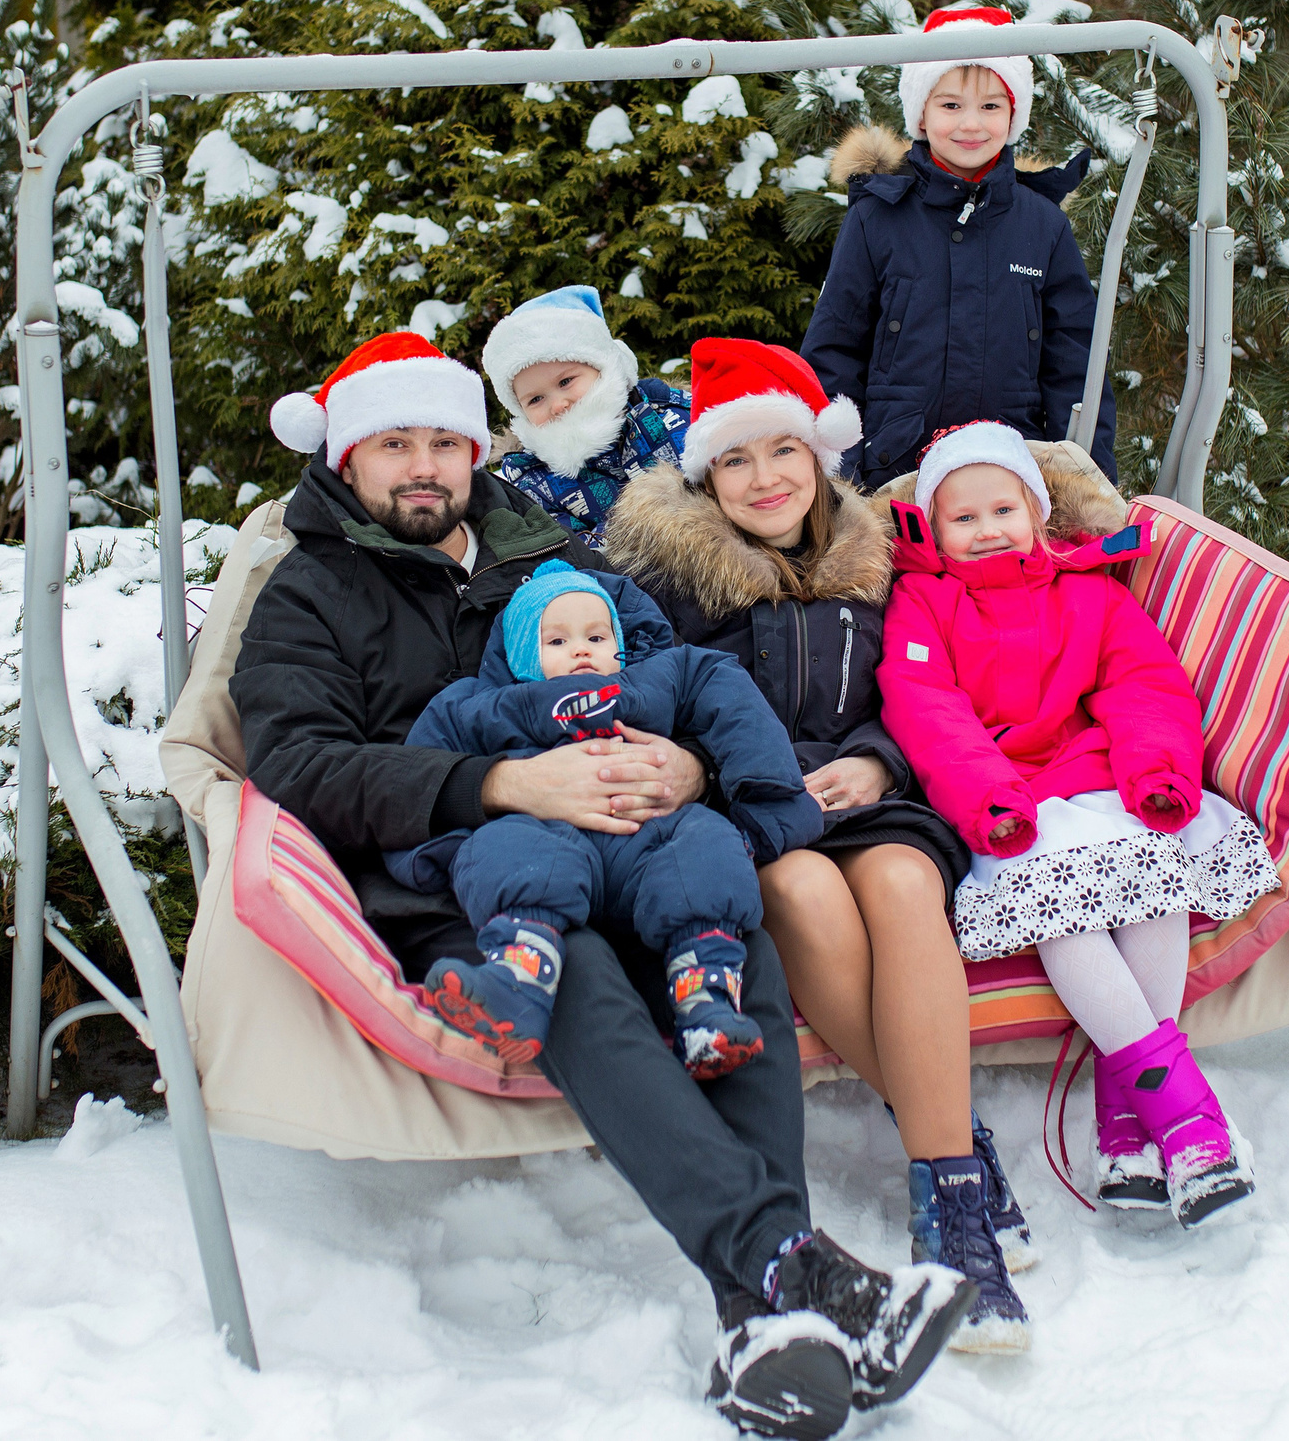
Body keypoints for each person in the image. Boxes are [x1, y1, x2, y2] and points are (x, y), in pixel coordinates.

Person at [234, 330, 972, 1438]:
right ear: (346, 460)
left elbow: (680, 676)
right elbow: (295, 762)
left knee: (735, 941)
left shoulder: (543, 558)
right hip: (463, 875)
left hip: (632, 835)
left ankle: (763, 1324)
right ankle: (790, 1272)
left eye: (443, 439)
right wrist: (501, 785)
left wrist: (692, 765)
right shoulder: (310, 594)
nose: (424, 464)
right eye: (395, 444)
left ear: (476, 449)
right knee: (576, 977)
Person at [602, 338, 1033, 1355]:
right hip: (754, 806)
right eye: (736, 460)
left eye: (782, 452)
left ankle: (951, 1200)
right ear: (706, 475)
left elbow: (927, 682)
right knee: (806, 895)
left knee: (895, 885)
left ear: (818, 455)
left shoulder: (883, 557)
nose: (764, 478)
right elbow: (657, 710)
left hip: (873, 790)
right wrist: (729, 771)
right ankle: (954, 1137)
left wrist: (880, 764)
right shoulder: (666, 577)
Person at [876, 421, 1282, 1228]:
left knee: (1153, 879)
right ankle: (1190, 1121)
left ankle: (1127, 1125)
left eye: (1003, 509)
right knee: (1069, 914)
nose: (988, 530)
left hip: (1101, 779)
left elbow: (1143, 683)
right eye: (964, 518)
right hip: (1006, 801)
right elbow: (928, 712)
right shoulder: (922, 602)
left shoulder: (1090, 589)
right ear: (933, 527)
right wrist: (989, 797)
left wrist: (1158, 771)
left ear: (1037, 511)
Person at [387, 559, 826, 1078]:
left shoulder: (660, 676)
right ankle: (516, 986)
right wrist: (439, 855)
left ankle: (705, 1004)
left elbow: (733, 702)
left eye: (596, 636)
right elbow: (422, 775)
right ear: (524, 654)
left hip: (646, 837)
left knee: (704, 843)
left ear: (618, 641)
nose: (580, 650)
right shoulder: (482, 705)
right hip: (544, 840)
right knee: (505, 844)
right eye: (556, 641)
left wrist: (768, 804)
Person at [798, 6, 1104, 489]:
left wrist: (1087, 479)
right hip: (895, 471)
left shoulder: (1042, 224)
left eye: (990, 106)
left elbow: (1076, 363)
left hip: (1011, 474)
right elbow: (834, 352)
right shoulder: (877, 217)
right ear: (922, 112)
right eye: (951, 105)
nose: (971, 124)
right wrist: (842, 476)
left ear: (1013, 113)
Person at [483, 283, 691, 534]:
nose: (558, 405)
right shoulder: (534, 482)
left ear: (603, 368)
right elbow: (573, 550)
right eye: (535, 399)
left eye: (565, 382)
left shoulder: (673, 417)